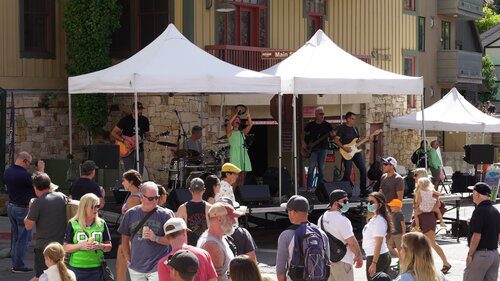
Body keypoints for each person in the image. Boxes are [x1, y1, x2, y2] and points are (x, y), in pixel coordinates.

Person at [118, 181, 174, 281]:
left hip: (158, 267)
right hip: (136, 267)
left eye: (156, 197)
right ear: (141, 197)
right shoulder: (130, 214)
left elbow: (172, 240)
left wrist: (155, 238)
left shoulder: (165, 214)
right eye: (151, 198)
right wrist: (127, 258)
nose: (154, 201)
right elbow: (125, 238)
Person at [4, 151, 44, 273]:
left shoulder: (8, 171)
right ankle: (18, 265)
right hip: (22, 209)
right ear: (24, 161)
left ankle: (15, 263)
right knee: (23, 239)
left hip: (11, 206)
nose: (29, 166)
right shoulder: (24, 175)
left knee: (16, 237)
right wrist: (41, 170)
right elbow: (41, 184)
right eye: (29, 163)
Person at [24, 172, 68, 279]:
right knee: (59, 276)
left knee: (41, 277)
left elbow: (28, 226)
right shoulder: (62, 197)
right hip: (60, 247)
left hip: (44, 249)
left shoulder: (37, 203)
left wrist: (30, 208)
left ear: (35, 187)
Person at [276, 195, 330, 281]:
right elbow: (327, 263)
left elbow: (280, 269)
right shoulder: (321, 233)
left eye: (288, 211)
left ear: (293, 212)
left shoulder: (286, 235)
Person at [63, 193, 112, 281]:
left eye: (97, 206)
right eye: (93, 206)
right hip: (77, 268)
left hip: (97, 268)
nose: (96, 209)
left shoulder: (102, 223)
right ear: (84, 207)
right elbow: (66, 247)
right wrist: (81, 246)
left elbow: (109, 247)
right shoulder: (73, 223)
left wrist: (100, 246)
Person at [411, 169, 451, 274]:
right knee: (415, 243)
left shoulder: (429, 191)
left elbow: (437, 206)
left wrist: (422, 209)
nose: (414, 177)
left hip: (427, 218)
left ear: (422, 177)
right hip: (419, 218)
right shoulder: (418, 190)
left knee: (431, 243)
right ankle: (417, 266)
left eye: (416, 175)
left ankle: (446, 263)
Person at [318, 190, 363, 281]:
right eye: (345, 201)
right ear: (335, 203)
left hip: (328, 261)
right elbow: (351, 243)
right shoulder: (343, 220)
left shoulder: (321, 218)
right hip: (343, 261)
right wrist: (358, 256)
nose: (347, 203)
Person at [197, 202, 243, 281]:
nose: (234, 222)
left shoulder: (219, 238)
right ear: (220, 219)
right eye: (231, 218)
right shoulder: (212, 246)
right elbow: (216, 279)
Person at [464, 182, 500, 281]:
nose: (472, 196)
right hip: (494, 254)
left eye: (473, 193)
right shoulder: (495, 211)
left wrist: (470, 254)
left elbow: (476, 235)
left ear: (477, 194)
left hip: (481, 254)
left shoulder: (479, 211)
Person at [111, 102, 158, 174]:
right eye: (138, 109)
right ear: (132, 110)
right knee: (129, 174)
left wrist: (152, 139)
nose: (140, 111)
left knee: (139, 173)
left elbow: (146, 135)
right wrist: (124, 141)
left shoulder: (144, 120)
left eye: (141, 109)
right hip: (127, 149)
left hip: (139, 150)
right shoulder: (125, 120)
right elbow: (113, 133)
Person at [116, 169, 143, 281]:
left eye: (124, 180)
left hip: (129, 237)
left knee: (121, 269)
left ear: (131, 182)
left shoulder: (134, 198)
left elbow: (132, 221)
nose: (122, 183)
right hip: (133, 236)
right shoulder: (136, 195)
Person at [334, 112, 367, 196]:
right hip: (346, 152)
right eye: (353, 119)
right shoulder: (342, 128)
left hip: (355, 152)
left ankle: (363, 190)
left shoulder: (355, 128)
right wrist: (344, 148)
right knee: (347, 172)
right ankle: (345, 191)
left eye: (354, 119)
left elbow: (357, 141)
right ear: (348, 119)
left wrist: (364, 140)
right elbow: (336, 140)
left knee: (363, 169)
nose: (354, 120)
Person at [301, 106, 335, 190]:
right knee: (311, 167)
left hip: (323, 148)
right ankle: (309, 187)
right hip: (312, 149)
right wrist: (303, 142)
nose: (322, 115)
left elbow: (332, 136)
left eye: (323, 114)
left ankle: (320, 187)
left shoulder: (327, 125)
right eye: (320, 114)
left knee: (321, 168)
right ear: (316, 114)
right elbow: (302, 133)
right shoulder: (310, 124)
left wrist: (333, 135)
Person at [217, 197, 257, 262]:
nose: (234, 221)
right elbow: (252, 261)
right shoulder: (242, 233)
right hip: (240, 271)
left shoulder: (209, 236)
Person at [363, 192, 392, 280]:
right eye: (368, 202)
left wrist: (374, 263)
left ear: (379, 205)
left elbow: (378, 243)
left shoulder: (379, 220)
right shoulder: (375, 218)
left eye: (372, 202)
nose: (369, 204)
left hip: (376, 257)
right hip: (376, 256)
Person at [177, 178, 212, 246]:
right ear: (204, 190)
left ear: (190, 190)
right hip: (205, 245)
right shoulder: (210, 208)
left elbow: (179, 230)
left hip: (189, 247)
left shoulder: (182, 208)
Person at [226, 107, 253, 186]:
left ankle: (240, 194)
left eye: (238, 120)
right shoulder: (229, 133)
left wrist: (248, 115)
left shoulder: (242, 132)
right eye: (236, 119)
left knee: (242, 177)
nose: (237, 120)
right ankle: (233, 195)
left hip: (243, 154)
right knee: (234, 178)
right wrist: (235, 114)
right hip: (235, 155)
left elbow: (250, 124)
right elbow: (229, 124)